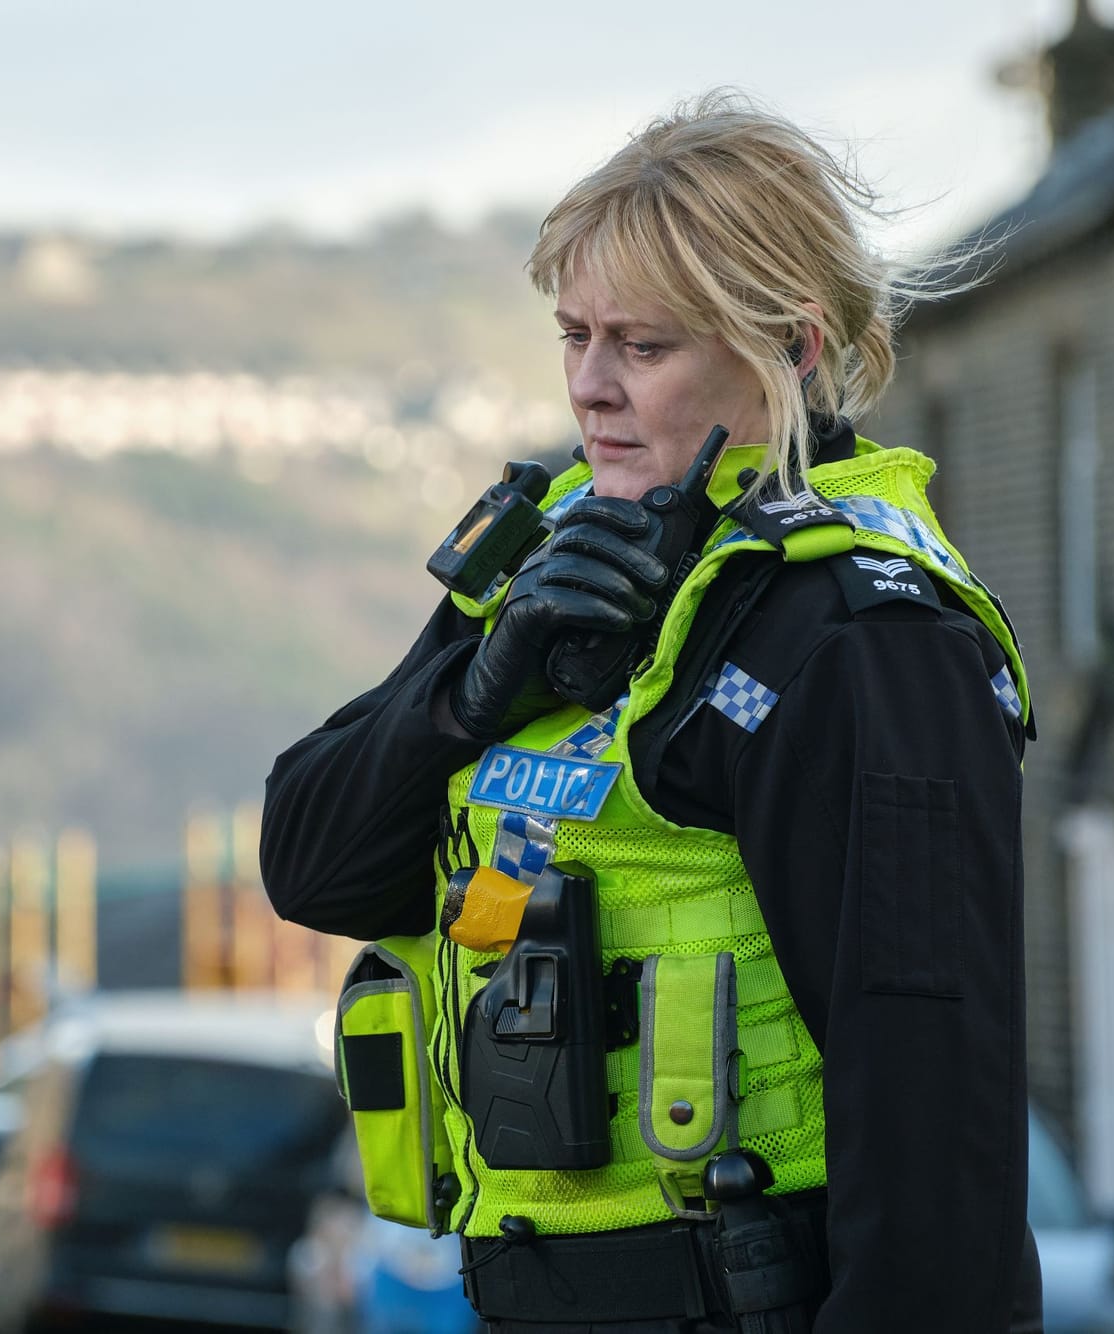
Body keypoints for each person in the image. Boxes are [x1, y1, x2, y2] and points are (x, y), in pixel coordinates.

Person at [262, 91, 1040, 1333]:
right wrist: (470, 693)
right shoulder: (551, 562)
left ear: (790, 346)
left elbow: (932, 1119)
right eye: (573, 335)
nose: (588, 388)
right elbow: (312, 866)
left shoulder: (858, 633)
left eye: (641, 346)